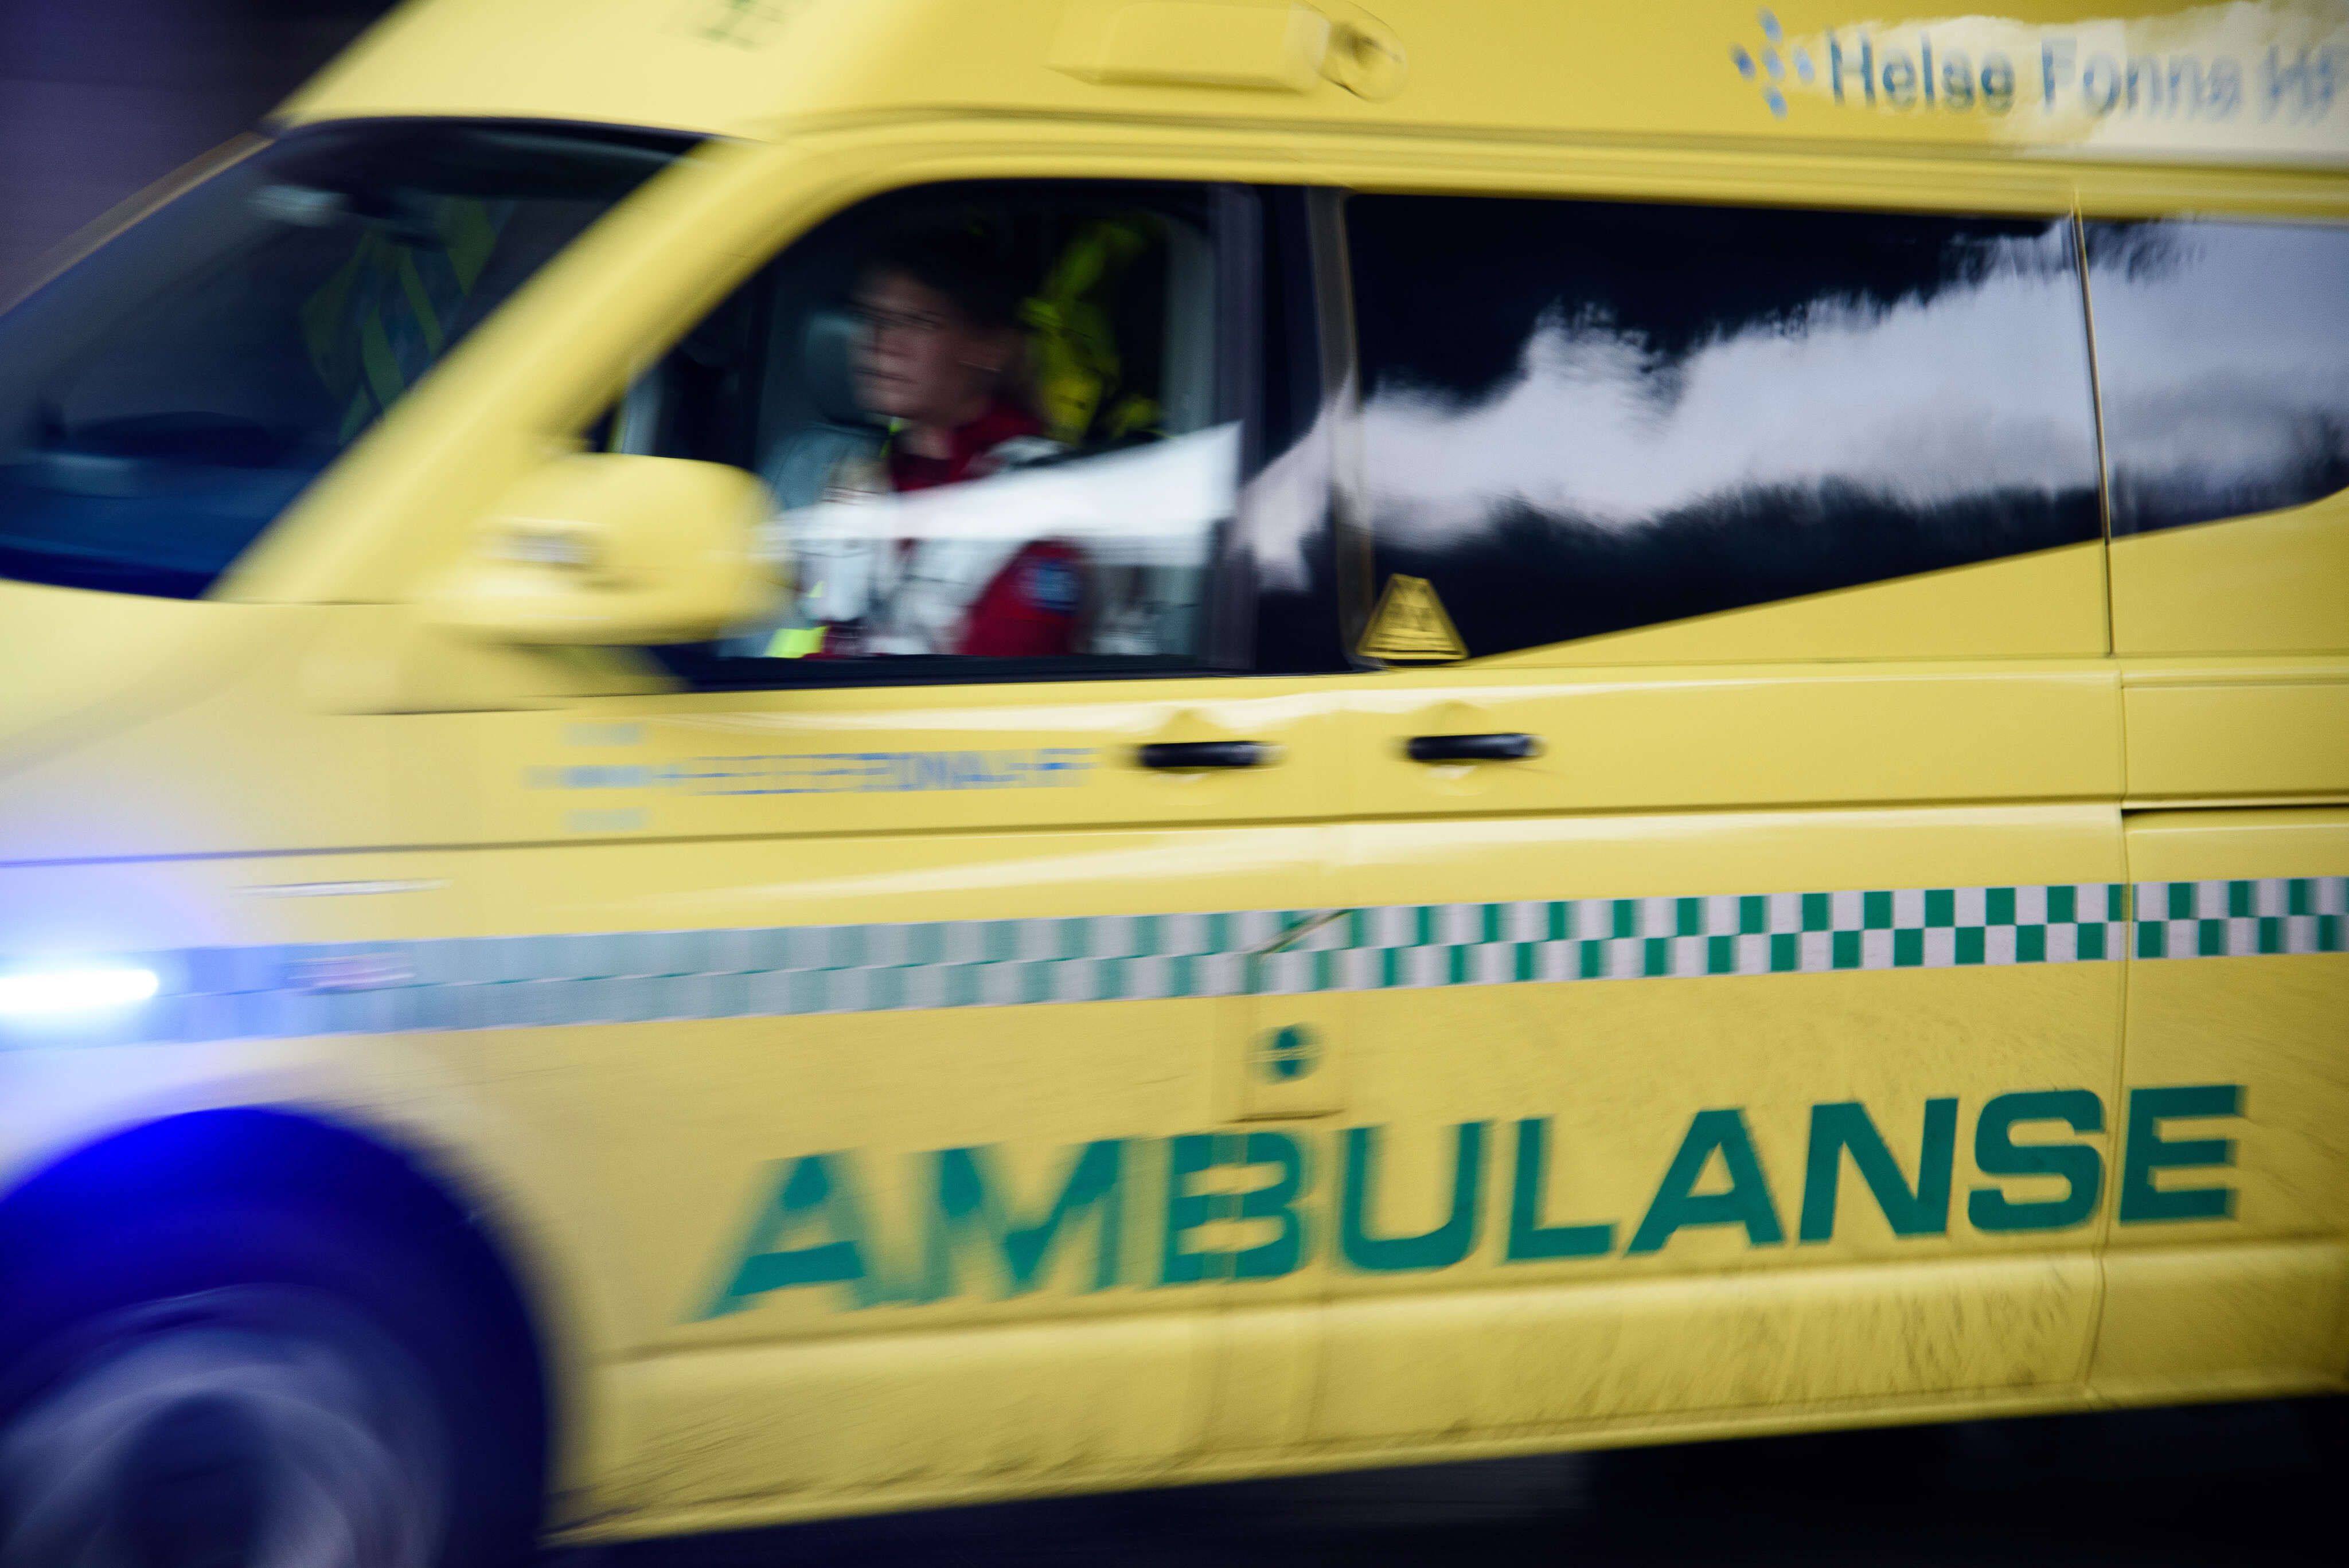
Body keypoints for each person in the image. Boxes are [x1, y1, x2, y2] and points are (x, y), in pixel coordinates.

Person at [752, 224, 1084, 659]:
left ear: (990, 348)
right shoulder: (855, 478)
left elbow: (1002, 676)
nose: (881, 343)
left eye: (918, 322)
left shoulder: (1039, 490)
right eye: (871, 318)